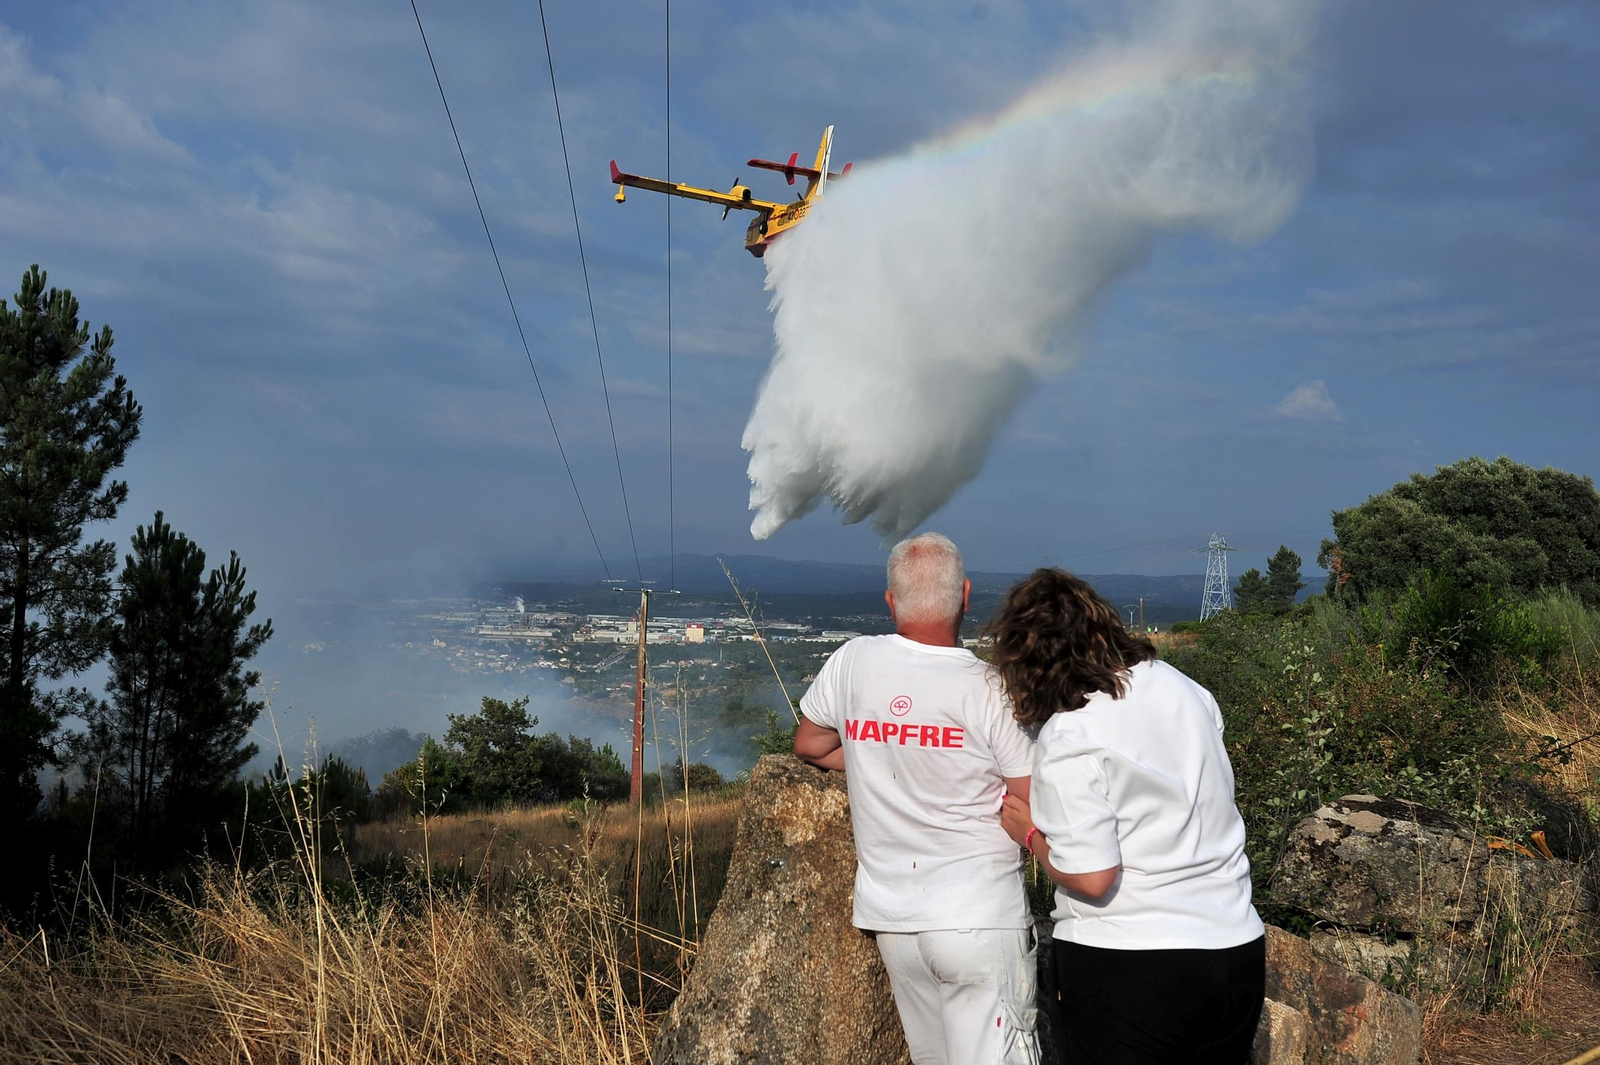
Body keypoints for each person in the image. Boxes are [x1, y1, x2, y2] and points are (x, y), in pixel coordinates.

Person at [989, 569, 1264, 1065]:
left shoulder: (1073, 731)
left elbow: (1093, 876)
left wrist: (1029, 834)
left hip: (1131, 962)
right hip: (1236, 946)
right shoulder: (1186, 690)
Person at [793, 532, 1040, 1065]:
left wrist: (866, 760)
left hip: (894, 921)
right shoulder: (990, 687)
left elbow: (810, 744)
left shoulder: (853, 659)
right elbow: (1027, 799)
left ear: (891, 600)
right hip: (978, 913)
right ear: (966, 596)